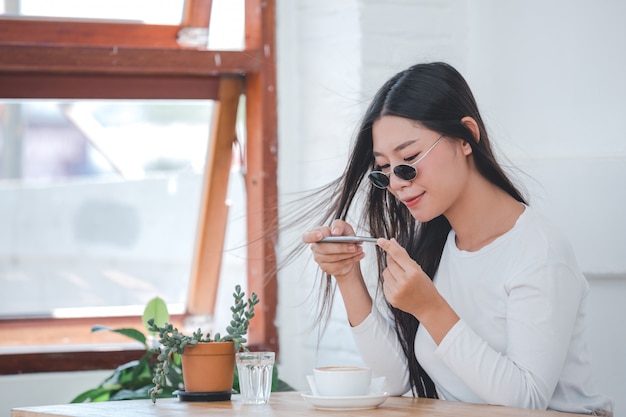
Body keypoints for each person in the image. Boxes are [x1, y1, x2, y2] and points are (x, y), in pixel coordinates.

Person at [300, 62, 613, 415]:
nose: (398, 183)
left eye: (409, 158)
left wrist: (429, 307)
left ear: (466, 138)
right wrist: (347, 275)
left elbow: (526, 401)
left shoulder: (539, 251)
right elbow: (394, 381)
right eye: (385, 169)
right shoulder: (435, 245)